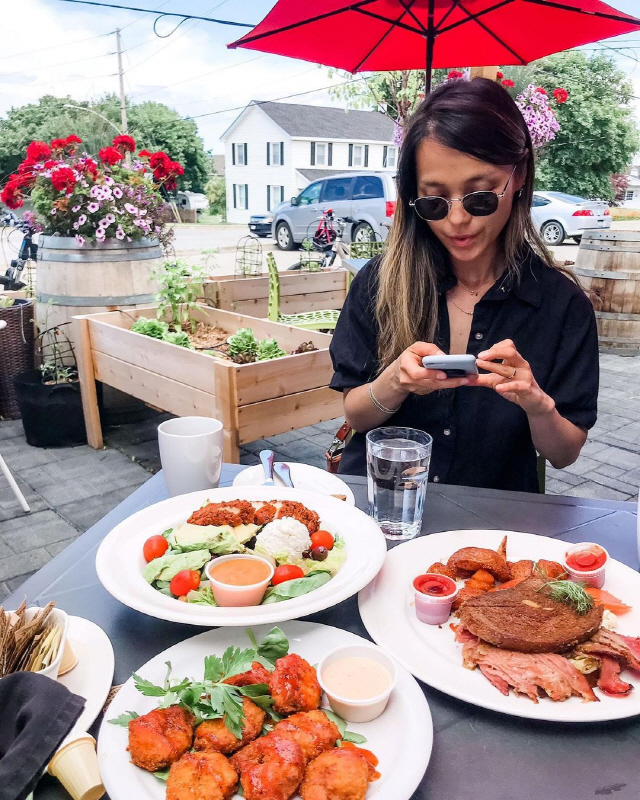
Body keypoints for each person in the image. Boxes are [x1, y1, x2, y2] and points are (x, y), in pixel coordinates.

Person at [329, 77, 598, 492]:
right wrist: (396, 382)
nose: (456, 221)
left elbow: (564, 454)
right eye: (434, 201)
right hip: (382, 509)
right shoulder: (378, 283)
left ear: (520, 174)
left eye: (480, 197)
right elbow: (356, 416)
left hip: (492, 527)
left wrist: (537, 405)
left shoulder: (561, 304)